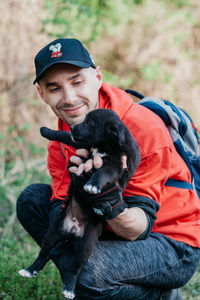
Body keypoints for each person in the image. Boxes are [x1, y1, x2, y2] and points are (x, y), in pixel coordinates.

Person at [16, 38, 200, 300]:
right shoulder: (62, 140)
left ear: (98, 77)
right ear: (42, 94)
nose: (69, 98)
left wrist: (106, 199)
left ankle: (159, 294)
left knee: (88, 273)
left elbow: (137, 228)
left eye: (77, 82)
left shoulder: (140, 129)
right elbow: (61, 204)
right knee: (32, 201)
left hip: (171, 241)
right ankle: (120, 285)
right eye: (55, 88)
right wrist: (77, 203)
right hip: (111, 232)